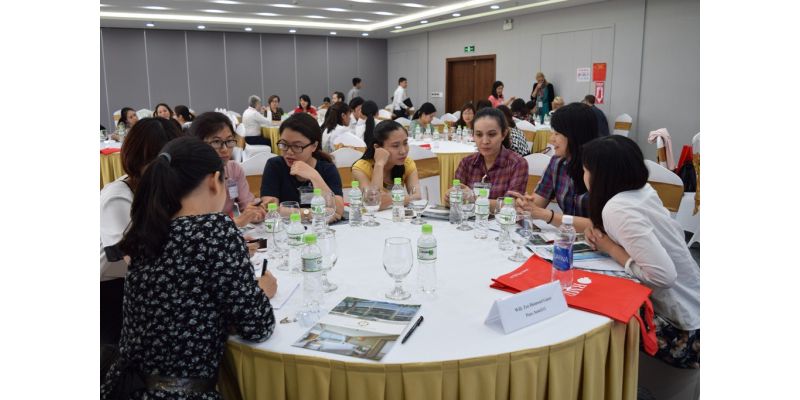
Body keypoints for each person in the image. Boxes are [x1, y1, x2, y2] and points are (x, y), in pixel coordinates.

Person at [101, 136, 277, 399]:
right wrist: (262, 291)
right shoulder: (214, 230)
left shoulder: (147, 229)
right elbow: (258, 326)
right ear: (214, 180)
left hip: (124, 388)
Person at [582, 135, 699, 369]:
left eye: (585, 171)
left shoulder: (617, 208)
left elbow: (664, 277)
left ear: (601, 176)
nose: (583, 176)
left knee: (590, 310)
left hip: (682, 331)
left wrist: (610, 248)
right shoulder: (642, 190)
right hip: (695, 304)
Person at [100, 117, 183, 346]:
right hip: (113, 292)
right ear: (136, 159)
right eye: (155, 160)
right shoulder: (117, 196)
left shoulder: (162, 188)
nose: (164, 169)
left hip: (150, 284)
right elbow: (132, 260)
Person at [511, 103, 598, 231]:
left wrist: (547, 215)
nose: (551, 140)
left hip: (598, 240)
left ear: (575, 135)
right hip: (568, 236)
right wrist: (525, 205)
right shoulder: (558, 163)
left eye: (557, 134)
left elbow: (601, 226)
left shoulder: (601, 168)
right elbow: (537, 203)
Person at [260, 113, 344, 220]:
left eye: (297, 146)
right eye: (284, 144)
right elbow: (270, 210)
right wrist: (310, 214)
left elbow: (338, 211)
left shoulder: (327, 168)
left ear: (314, 146)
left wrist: (314, 176)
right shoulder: (275, 166)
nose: (289, 152)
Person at [191, 111, 267, 227]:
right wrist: (235, 222)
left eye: (229, 141)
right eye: (216, 142)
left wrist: (255, 212)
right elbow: (192, 224)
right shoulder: (190, 175)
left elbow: (246, 203)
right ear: (198, 143)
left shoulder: (233, 169)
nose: (225, 149)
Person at [454, 107, 528, 210]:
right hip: (468, 219)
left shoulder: (517, 164)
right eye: (479, 135)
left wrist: (472, 198)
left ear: (503, 134)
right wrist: (450, 198)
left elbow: (511, 205)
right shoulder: (466, 163)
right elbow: (456, 199)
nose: (485, 141)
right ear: (473, 135)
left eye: (492, 134)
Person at [352, 120, 420, 210]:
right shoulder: (361, 168)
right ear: (377, 148)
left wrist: (390, 199)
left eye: (405, 143)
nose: (403, 151)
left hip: (396, 215)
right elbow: (373, 202)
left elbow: (417, 196)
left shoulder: (407, 163)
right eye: (395, 146)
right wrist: (379, 164)